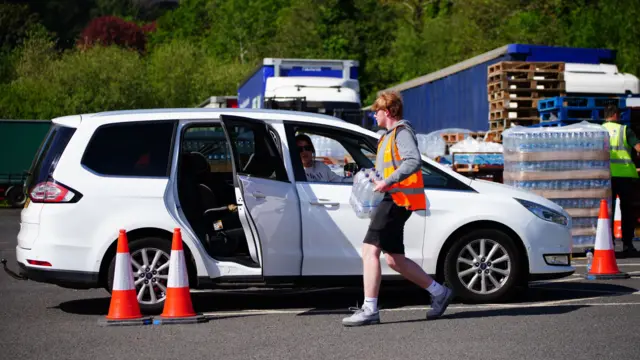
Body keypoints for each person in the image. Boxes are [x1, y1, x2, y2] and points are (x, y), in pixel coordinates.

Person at [342, 91, 454, 327]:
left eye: (377, 111)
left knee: (369, 250)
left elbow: (413, 161)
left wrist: (388, 182)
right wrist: (376, 179)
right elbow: (390, 167)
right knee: (394, 259)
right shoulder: (386, 137)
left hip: (397, 200)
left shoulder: (402, 132)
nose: (374, 115)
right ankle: (439, 293)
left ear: (389, 111)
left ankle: (370, 308)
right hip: (394, 199)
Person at [602, 104, 640, 257]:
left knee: (607, 212)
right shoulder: (624, 130)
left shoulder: (600, 131)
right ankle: (627, 244)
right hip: (625, 176)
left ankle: (607, 243)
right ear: (616, 115)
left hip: (606, 177)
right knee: (627, 212)